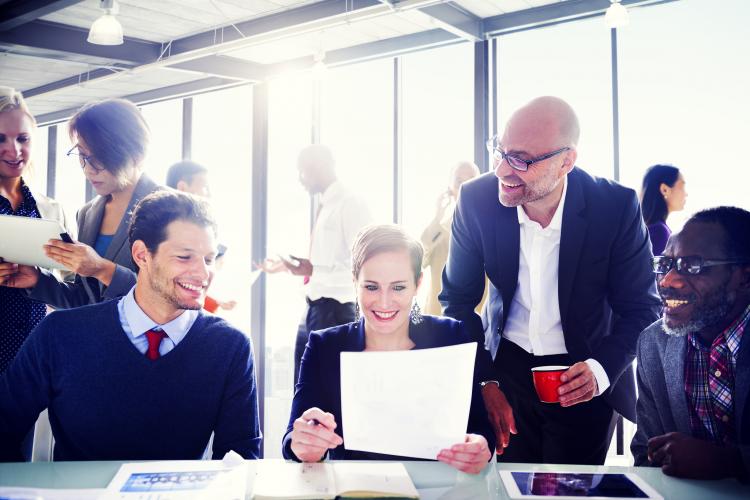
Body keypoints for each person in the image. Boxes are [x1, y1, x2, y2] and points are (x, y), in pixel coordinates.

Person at [440, 96, 661, 464]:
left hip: (584, 374)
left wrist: (600, 370)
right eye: (501, 151)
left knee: (570, 490)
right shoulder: (476, 200)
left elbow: (642, 308)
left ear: (566, 162)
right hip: (505, 372)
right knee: (510, 486)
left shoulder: (615, 207)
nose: (502, 171)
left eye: (522, 160)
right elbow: (458, 302)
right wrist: (485, 380)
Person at [0, 190, 261, 461]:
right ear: (141, 255)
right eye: (185, 257)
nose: (203, 273)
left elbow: (241, 459)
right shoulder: (59, 334)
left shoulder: (231, 346)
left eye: (208, 259)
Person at [282, 224, 494, 474]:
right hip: (355, 490)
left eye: (398, 287)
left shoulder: (451, 336)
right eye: (371, 287)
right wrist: (303, 445)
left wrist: (481, 447)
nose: (384, 302)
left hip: (438, 490)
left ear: (418, 284)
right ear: (355, 282)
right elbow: (292, 439)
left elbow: (481, 428)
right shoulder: (324, 346)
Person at [0, 98, 162, 309]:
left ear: (137, 154)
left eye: (99, 158)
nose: (88, 169)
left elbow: (171, 296)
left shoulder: (173, 209)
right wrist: (39, 280)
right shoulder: (88, 213)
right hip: (96, 340)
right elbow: (84, 301)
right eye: (83, 156)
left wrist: (103, 269)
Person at [631, 206, 750, 480]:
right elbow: (645, 454)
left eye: (692, 266)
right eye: (666, 265)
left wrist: (727, 462)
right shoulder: (654, 344)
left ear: (744, 277)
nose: (668, 280)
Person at [259, 144, 372, 385]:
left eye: (303, 172)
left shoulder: (350, 203)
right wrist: (292, 267)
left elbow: (364, 265)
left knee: (329, 391)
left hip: (338, 311)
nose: (301, 180)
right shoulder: (327, 205)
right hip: (314, 308)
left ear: (318, 167)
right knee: (304, 386)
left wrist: (313, 270)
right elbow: (329, 261)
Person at [0, 87, 73, 374]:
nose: (14, 150)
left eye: (23, 138)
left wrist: (40, 279)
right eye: (1, 138)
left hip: (31, 363)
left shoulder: (51, 210)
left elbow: (74, 284)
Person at [166, 159, 234, 313]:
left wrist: (215, 302)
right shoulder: (166, 231)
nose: (209, 194)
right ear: (183, 187)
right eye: (204, 187)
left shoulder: (200, 227)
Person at [420, 161, 480, 316]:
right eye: (459, 181)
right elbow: (419, 260)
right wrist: (437, 216)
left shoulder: (488, 227)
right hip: (438, 316)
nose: (464, 187)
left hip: (478, 317)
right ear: (450, 187)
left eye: (471, 180)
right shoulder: (439, 229)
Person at [640, 164, 687, 255]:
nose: (686, 193)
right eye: (682, 186)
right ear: (664, 189)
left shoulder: (653, 229)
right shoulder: (659, 232)